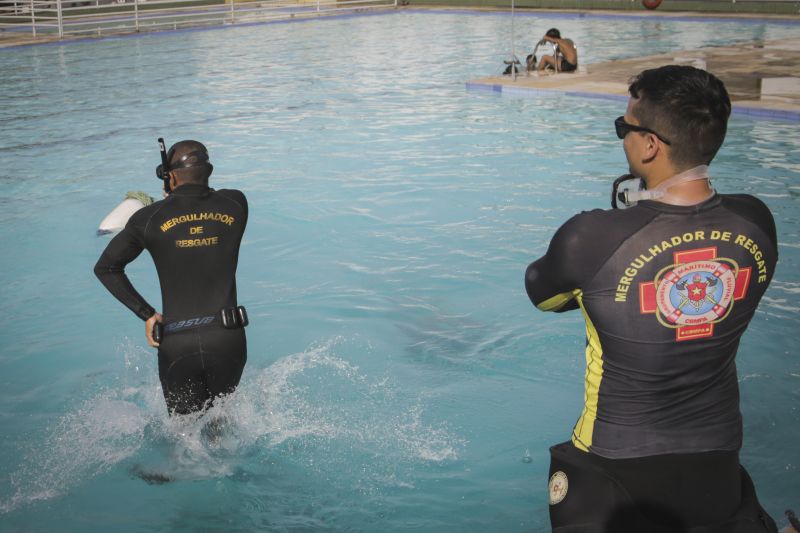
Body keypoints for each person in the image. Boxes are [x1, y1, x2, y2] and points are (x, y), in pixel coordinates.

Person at [525, 65, 779, 531]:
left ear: (649, 144)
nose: (622, 137)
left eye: (625, 127)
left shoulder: (591, 238)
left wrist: (621, 223)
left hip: (612, 464)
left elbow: (542, 294)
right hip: (718, 457)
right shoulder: (758, 222)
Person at [95, 140, 249, 416]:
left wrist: (148, 315)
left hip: (177, 343)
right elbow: (203, 202)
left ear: (169, 176)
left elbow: (106, 269)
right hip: (227, 338)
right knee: (221, 426)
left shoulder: (148, 218)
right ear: (209, 170)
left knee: (184, 438)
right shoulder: (236, 202)